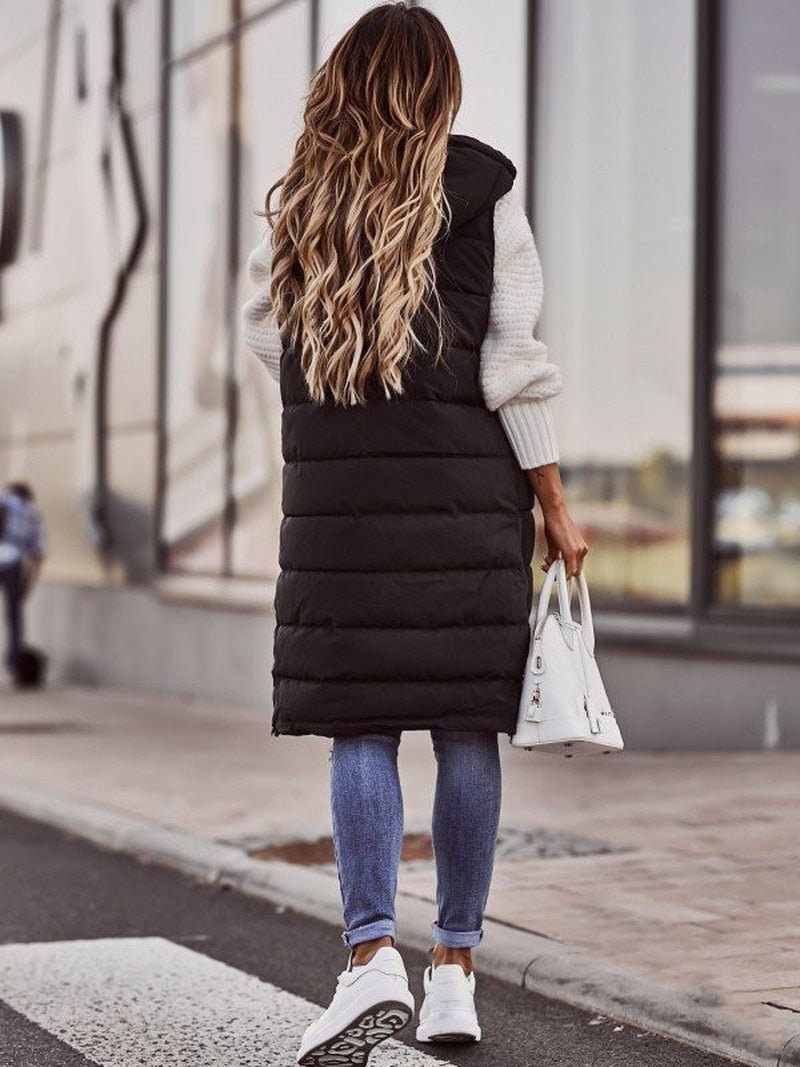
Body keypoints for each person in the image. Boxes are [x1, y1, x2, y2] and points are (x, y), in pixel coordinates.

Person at [241, 5, 588, 1063]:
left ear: (342, 83)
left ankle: (365, 960)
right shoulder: (483, 197)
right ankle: (454, 975)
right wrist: (556, 507)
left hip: (342, 517)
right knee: (462, 725)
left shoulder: (306, 204)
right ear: (436, 88)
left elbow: (264, 339)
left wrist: (349, 402)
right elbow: (510, 365)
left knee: (363, 724)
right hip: (461, 509)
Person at [0, 482, 46, 677]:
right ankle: (14, 665)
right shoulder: (32, 513)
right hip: (13, 565)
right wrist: (29, 584)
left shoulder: (3, 501)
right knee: (14, 617)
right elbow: (38, 553)